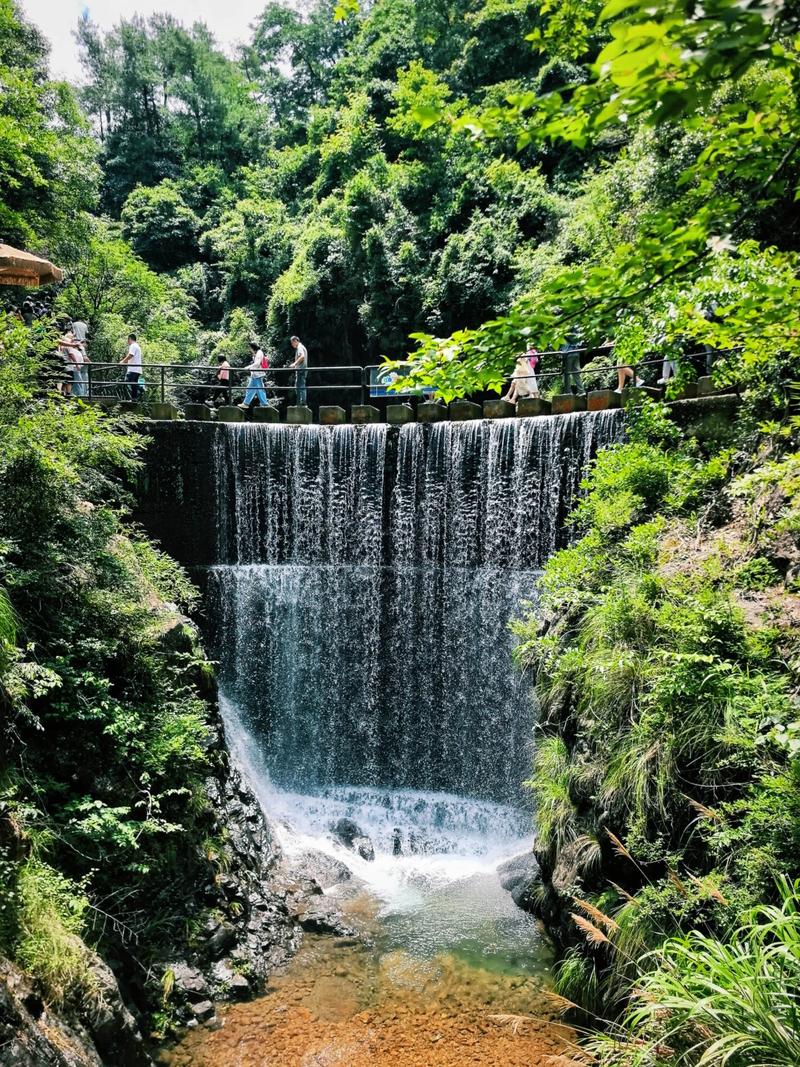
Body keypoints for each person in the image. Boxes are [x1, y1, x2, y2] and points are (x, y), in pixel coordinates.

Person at [238, 341, 269, 410]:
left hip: (258, 374)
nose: (249, 349)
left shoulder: (259, 353)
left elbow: (257, 363)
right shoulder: (256, 353)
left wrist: (248, 367)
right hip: (255, 375)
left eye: (250, 348)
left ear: (253, 347)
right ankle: (246, 403)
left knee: (259, 389)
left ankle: (265, 404)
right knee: (250, 389)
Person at [120, 333, 144, 400]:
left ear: (130, 339)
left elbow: (130, 355)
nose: (127, 342)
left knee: (128, 381)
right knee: (133, 383)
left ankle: (140, 389)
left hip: (133, 369)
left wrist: (122, 362)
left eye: (128, 340)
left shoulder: (133, 346)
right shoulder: (137, 346)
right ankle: (134, 398)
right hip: (137, 369)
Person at [289, 335, 308, 406]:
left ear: (295, 341)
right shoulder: (301, 347)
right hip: (301, 370)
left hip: (301, 370)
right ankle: (301, 402)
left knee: (300, 386)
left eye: (292, 343)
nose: (292, 344)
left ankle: (302, 403)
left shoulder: (299, 347)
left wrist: (294, 364)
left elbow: (302, 356)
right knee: (299, 386)